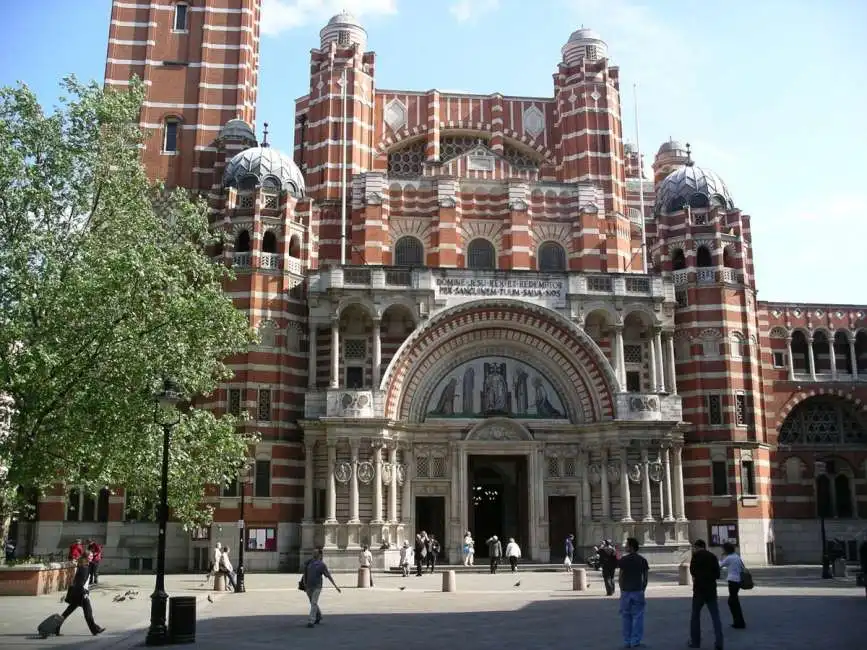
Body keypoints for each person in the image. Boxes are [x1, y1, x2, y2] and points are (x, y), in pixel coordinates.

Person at [688, 539, 724, 650]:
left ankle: (695, 642)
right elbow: (718, 574)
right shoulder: (712, 557)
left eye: (694, 547)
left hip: (698, 590)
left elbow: (692, 571)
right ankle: (719, 643)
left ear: (697, 547)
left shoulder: (695, 557)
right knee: (715, 617)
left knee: (695, 617)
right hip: (711, 590)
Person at [58, 553, 105, 636]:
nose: (92, 557)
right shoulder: (84, 568)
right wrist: (85, 593)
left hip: (77, 592)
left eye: (92, 556)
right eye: (90, 556)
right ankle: (95, 629)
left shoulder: (83, 566)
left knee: (68, 612)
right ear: (86, 557)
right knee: (88, 613)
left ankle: (56, 627)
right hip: (81, 593)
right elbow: (80, 583)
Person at [618, 537, 649, 649]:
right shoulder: (642, 560)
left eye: (626, 545)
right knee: (638, 617)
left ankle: (627, 641)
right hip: (638, 591)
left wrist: (622, 589)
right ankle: (635, 641)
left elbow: (620, 577)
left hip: (626, 591)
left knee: (626, 617)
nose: (625, 547)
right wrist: (643, 589)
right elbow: (645, 578)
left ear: (631, 547)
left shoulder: (623, 560)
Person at [301, 548, 341, 628]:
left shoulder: (322, 565)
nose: (313, 554)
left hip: (317, 587)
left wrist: (335, 586)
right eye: (313, 552)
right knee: (313, 602)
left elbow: (328, 576)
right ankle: (318, 616)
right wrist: (304, 583)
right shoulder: (309, 562)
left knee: (314, 602)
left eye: (315, 553)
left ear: (319, 554)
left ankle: (311, 620)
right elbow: (305, 573)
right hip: (308, 586)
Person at [719, 542, 746, 629]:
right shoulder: (737, 556)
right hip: (738, 580)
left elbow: (720, 565)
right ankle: (739, 621)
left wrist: (721, 557)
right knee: (735, 601)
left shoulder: (729, 558)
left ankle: (738, 622)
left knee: (732, 602)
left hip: (732, 581)